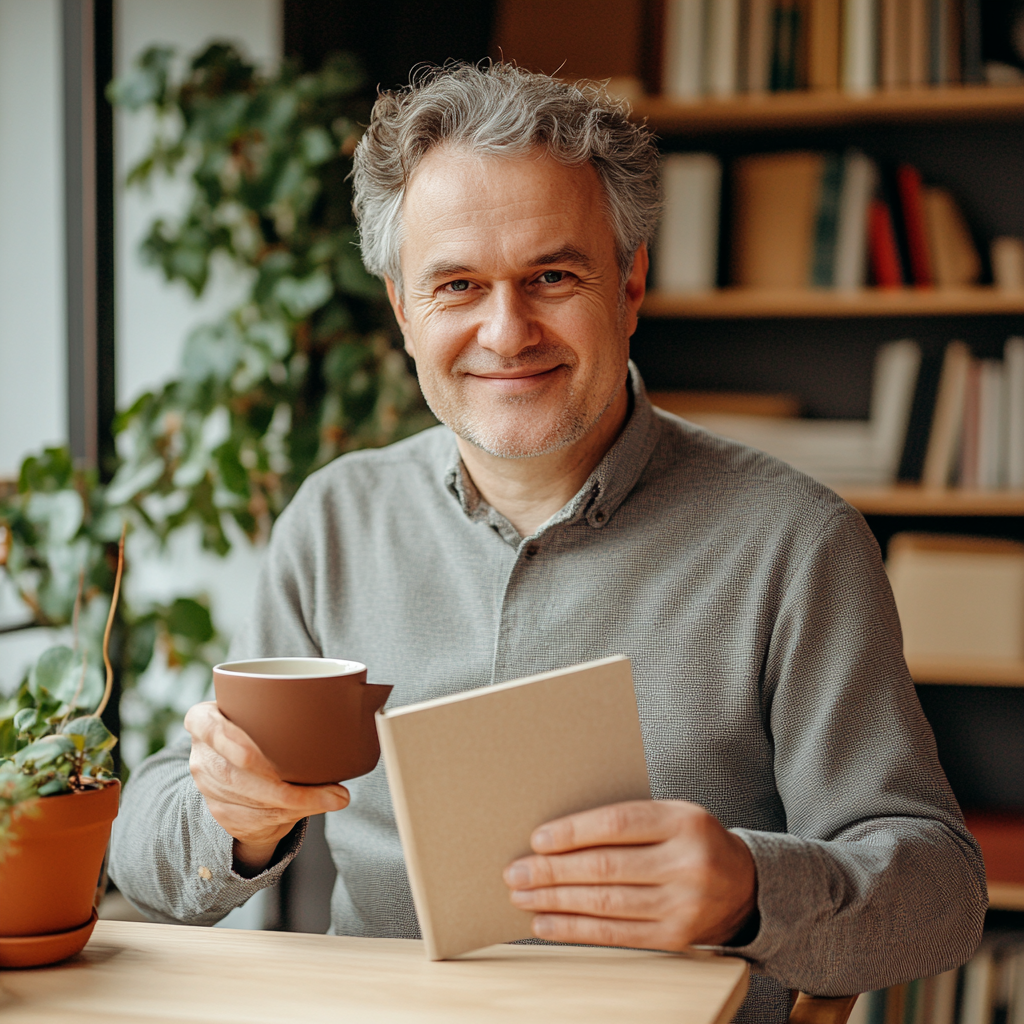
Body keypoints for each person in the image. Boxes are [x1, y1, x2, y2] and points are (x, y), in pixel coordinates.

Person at [109, 63, 985, 1022]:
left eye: (553, 276)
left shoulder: (796, 543)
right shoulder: (333, 523)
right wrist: (233, 822)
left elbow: (940, 895)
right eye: (456, 285)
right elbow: (148, 855)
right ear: (404, 310)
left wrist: (747, 888)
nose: (505, 330)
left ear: (632, 280)